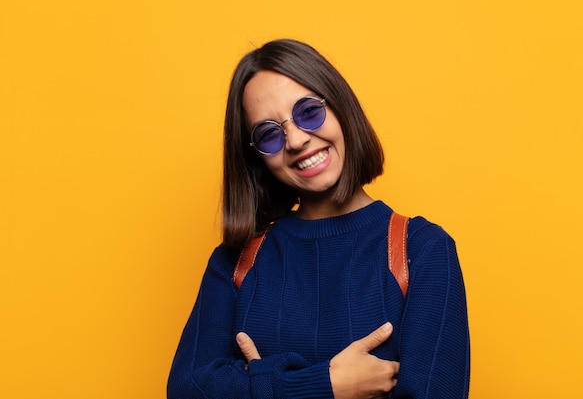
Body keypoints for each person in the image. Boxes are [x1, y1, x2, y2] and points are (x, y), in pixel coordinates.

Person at [167, 39, 470, 399]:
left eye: (308, 112)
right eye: (268, 134)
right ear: (256, 158)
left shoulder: (422, 250)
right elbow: (187, 390)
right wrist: (327, 385)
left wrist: (256, 380)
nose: (295, 140)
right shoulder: (235, 261)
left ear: (340, 107)